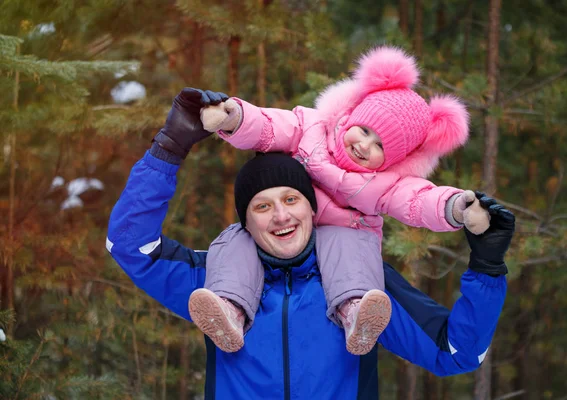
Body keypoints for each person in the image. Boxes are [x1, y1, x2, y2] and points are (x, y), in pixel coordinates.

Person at [106, 87, 515, 399]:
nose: (281, 216)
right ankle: (235, 314)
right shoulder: (213, 276)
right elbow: (130, 245)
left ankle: (349, 315)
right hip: (227, 294)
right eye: (262, 206)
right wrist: (169, 148)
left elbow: (456, 353)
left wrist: (487, 266)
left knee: (360, 301)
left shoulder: (367, 283)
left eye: (291, 200)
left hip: (354, 295)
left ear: (312, 207)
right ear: (244, 219)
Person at [187, 45, 491, 354]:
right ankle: (229, 310)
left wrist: (455, 207)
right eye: (364, 130)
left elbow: (418, 200)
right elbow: (268, 127)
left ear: (393, 159)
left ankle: (357, 314)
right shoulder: (312, 127)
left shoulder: (388, 183)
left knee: (350, 244)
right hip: (285, 229)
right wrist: (233, 117)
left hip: (343, 236)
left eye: (380, 146)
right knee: (238, 238)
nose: (363, 145)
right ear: (351, 117)